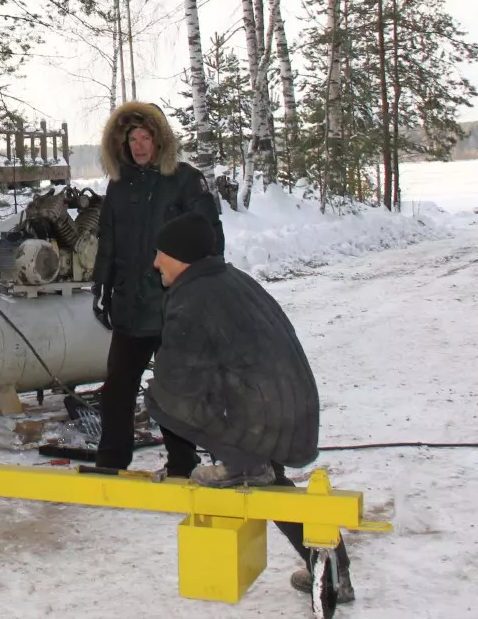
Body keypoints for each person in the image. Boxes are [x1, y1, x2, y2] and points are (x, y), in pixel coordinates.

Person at [145, 212, 355, 603]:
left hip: (265, 415)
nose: (156, 262)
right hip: (289, 410)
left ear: (181, 257)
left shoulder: (192, 299)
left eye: (161, 253)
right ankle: (334, 575)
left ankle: (241, 463)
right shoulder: (229, 281)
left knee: (161, 398)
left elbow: (178, 382)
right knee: (271, 483)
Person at [89, 102, 217, 470]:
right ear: (123, 143)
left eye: (146, 137)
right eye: (133, 138)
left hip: (174, 305)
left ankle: (181, 461)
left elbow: (209, 238)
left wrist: (203, 290)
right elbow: (108, 240)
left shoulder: (185, 180)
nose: (140, 145)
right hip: (131, 305)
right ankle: (111, 461)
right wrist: (102, 287)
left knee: (172, 390)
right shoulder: (119, 186)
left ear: (160, 141)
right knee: (117, 389)